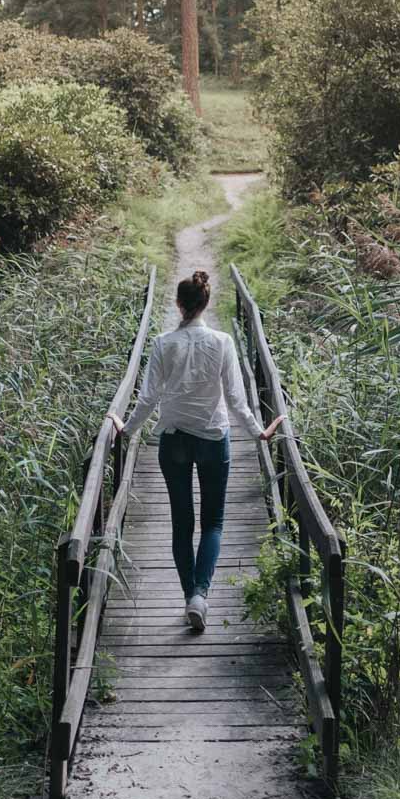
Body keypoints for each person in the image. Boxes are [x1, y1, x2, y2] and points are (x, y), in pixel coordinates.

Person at [109, 270, 283, 631]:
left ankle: (190, 594)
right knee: (213, 523)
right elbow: (236, 397)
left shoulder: (161, 343)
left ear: (178, 304)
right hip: (212, 437)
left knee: (181, 524)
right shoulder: (222, 342)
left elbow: (149, 397)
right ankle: (199, 596)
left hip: (173, 439)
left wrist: (127, 429)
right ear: (206, 303)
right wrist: (257, 432)